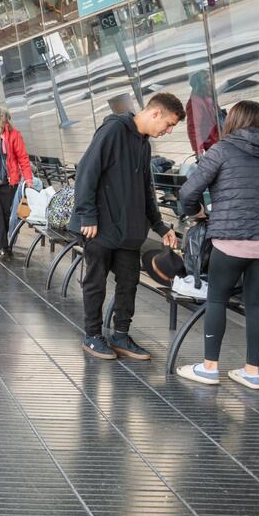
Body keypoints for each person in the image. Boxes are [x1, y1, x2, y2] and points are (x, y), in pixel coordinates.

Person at [175, 101, 259, 391]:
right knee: (257, 305)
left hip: (231, 240)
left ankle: (209, 369)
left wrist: (198, 214)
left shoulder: (221, 150)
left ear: (232, 121)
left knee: (217, 299)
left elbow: (188, 192)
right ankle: (252, 373)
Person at [69, 92, 184, 361]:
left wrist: (160, 225)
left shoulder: (144, 144)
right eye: (168, 124)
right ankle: (93, 336)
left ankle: (120, 335)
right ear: (155, 113)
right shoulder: (113, 130)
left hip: (129, 230)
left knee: (129, 282)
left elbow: (145, 189)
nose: (167, 131)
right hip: (99, 226)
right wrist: (87, 216)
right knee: (95, 282)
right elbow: (87, 171)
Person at [0, 105, 33, 259]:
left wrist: (28, 178)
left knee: (5, 214)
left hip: (8, 181)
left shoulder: (14, 135)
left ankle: (0, 246)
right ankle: (2, 247)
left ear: (1, 118)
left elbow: (23, 157)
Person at [185, 70, 221, 156]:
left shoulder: (208, 95)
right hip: (212, 144)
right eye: (206, 78)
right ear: (199, 83)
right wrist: (198, 150)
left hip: (220, 139)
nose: (210, 80)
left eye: (209, 77)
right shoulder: (195, 102)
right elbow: (193, 128)